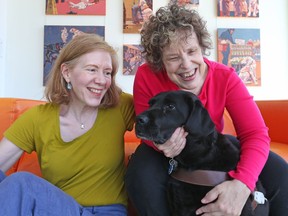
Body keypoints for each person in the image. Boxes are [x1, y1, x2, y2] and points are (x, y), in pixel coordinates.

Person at [125, 4, 288, 216]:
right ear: (160, 61)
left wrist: (242, 184)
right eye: (173, 58)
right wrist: (159, 144)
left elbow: (255, 134)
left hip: (209, 142)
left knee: (279, 170)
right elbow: (145, 125)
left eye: (192, 51)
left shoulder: (225, 77)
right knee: (141, 174)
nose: (186, 64)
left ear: (202, 47)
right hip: (164, 150)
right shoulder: (147, 75)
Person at [0, 33, 135, 215]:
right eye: (92, 69)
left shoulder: (121, 107)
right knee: (18, 184)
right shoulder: (37, 119)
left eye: (107, 72)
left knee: (20, 183)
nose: (102, 80)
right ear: (66, 72)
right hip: (57, 209)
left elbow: (164, 107)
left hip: (108, 212)